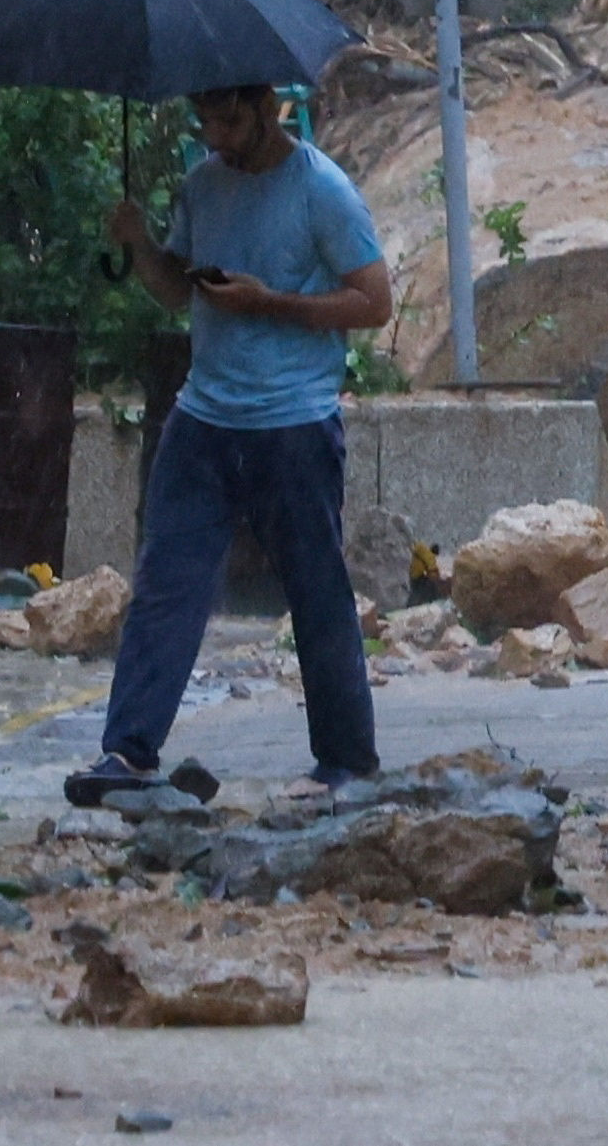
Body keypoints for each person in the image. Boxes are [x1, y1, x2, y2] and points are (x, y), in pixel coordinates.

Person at [74, 84, 394, 807]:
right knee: (166, 583)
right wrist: (140, 245)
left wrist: (269, 301)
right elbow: (175, 291)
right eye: (204, 120)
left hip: (293, 420)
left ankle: (346, 757)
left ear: (266, 108)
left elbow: (373, 300)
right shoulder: (201, 183)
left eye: (228, 119)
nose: (214, 134)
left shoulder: (322, 189)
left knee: (315, 588)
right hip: (204, 415)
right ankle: (126, 751)